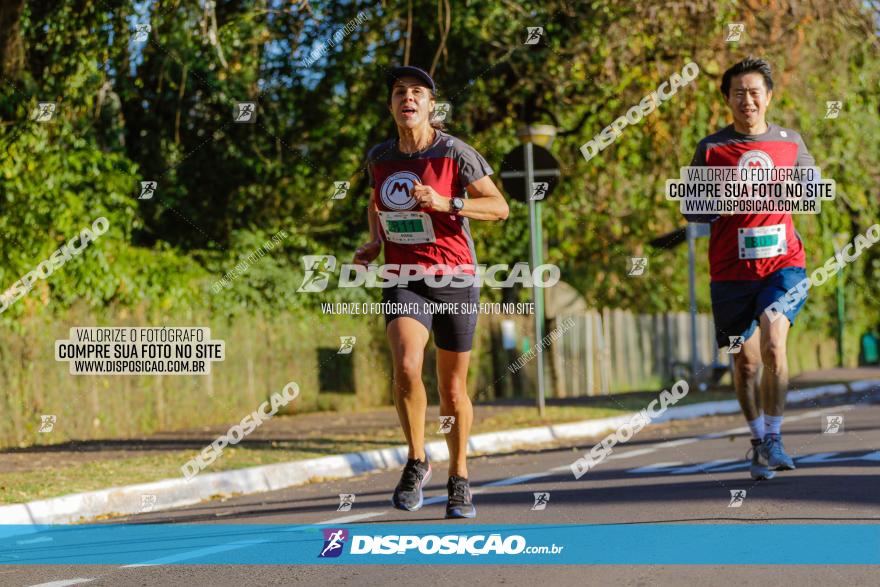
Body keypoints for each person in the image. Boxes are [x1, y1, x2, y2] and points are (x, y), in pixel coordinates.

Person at [354, 66, 509, 518]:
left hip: (455, 277)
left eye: (417, 92)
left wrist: (448, 203)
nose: (408, 98)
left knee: (452, 389)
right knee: (405, 366)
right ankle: (417, 459)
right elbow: (376, 202)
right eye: (400, 92)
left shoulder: (456, 153)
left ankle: (459, 476)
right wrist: (375, 241)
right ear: (391, 106)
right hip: (404, 276)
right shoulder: (380, 157)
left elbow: (499, 208)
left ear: (430, 105)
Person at [684, 57, 815, 480]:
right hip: (731, 271)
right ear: (727, 99)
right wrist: (723, 198)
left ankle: (775, 438)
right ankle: (759, 442)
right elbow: (693, 211)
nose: (748, 100)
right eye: (739, 92)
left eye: (755, 92)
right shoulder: (711, 148)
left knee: (775, 337)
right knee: (746, 361)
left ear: (769, 97)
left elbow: (809, 192)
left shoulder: (790, 142)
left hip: (784, 265)